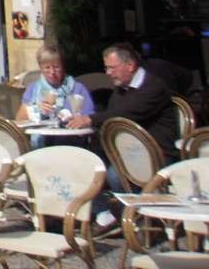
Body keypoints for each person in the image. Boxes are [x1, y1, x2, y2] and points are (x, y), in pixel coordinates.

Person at [66, 42, 179, 234]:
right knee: (87, 164)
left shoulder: (153, 86)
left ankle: (143, 221)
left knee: (113, 175)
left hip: (156, 156)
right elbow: (113, 117)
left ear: (130, 66)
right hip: (127, 154)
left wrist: (89, 119)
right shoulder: (121, 90)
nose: (108, 73)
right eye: (106, 68)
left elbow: (124, 114)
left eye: (112, 68)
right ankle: (107, 214)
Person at [17, 44, 95, 122]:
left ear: (63, 66)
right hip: (42, 133)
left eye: (56, 67)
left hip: (71, 132)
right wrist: (36, 109)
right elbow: (19, 118)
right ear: (41, 68)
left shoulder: (78, 89)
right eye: (47, 68)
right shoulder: (34, 88)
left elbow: (90, 118)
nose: (52, 72)